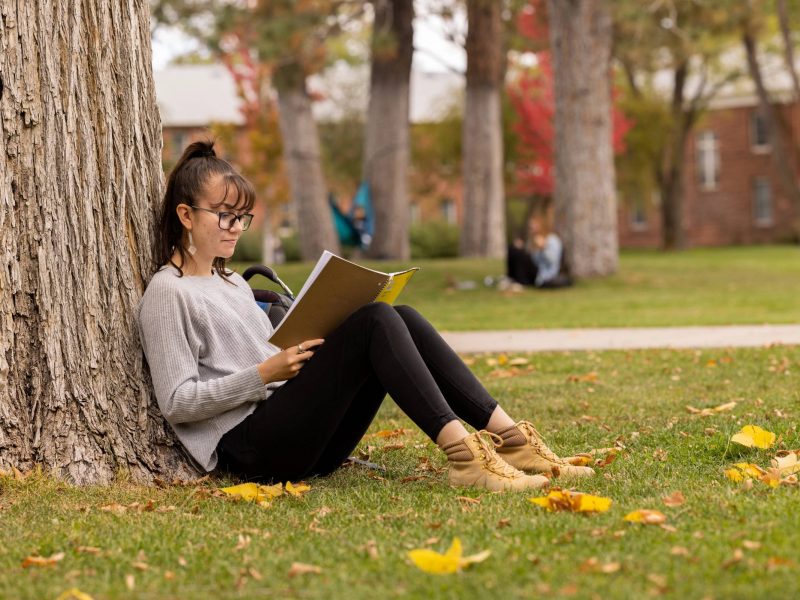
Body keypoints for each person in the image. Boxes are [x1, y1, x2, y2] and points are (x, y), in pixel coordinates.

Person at [137, 141, 593, 492]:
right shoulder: (168, 292)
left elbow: (269, 363)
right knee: (374, 321)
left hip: (304, 439)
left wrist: (301, 348)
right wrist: (263, 374)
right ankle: (464, 457)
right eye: (224, 217)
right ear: (186, 215)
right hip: (250, 450)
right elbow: (176, 402)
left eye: (242, 218)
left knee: (401, 316)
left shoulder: (233, 282)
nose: (236, 229)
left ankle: (511, 440)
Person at [506, 216, 572, 289]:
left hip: (544, 274)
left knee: (519, 253)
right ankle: (512, 279)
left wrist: (543, 248)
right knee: (513, 249)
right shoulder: (533, 239)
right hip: (535, 270)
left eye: (534, 225)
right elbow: (532, 258)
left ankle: (521, 282)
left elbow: (553, 260)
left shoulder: (552, 239)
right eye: (530, 225)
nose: (531, 227)